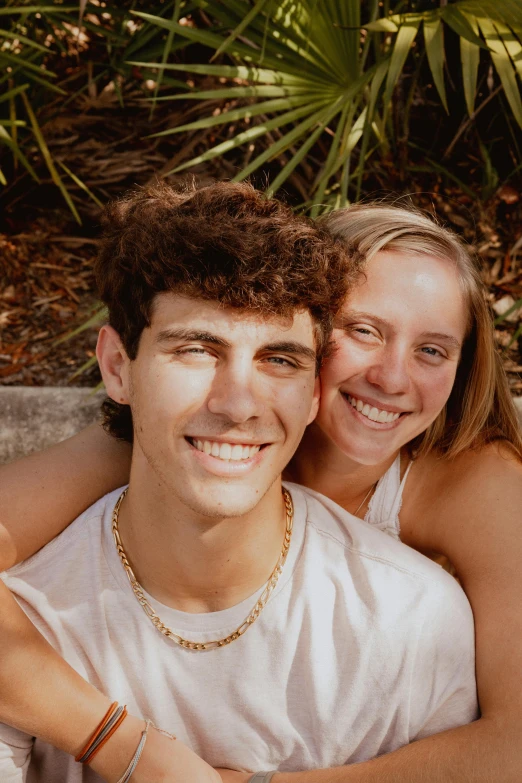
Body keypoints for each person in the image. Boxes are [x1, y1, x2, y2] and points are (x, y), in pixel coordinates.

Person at [0, 183, 479, 783]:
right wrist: (133, 752)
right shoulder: (29, 618)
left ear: (312, 391)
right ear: (119, 368)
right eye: (197, 349)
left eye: (279, 359)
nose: (237, 404)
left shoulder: (412, 621)